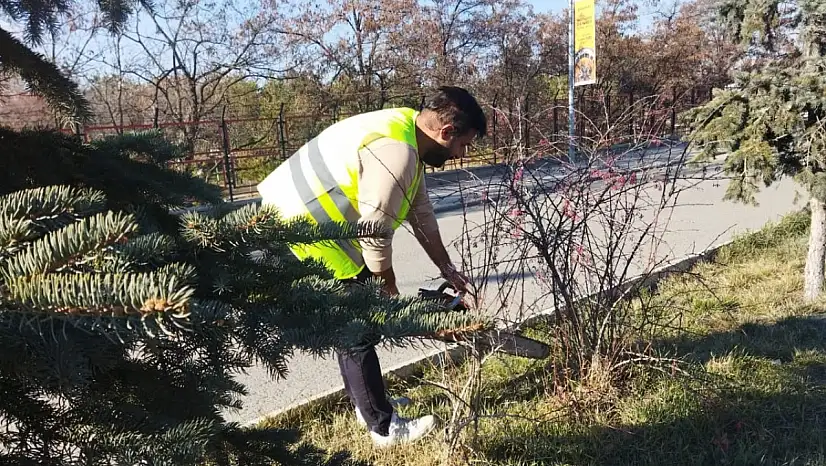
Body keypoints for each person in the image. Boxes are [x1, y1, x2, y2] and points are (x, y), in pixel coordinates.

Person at [256, 85, 487, 447]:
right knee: (357, 327)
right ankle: (382, 427)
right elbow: (375, 234)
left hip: (310, 219)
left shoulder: (407, 130)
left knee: (356, 324)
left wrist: (448, 270)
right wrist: (388, 291)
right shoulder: (397, 152)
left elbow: (421, 214)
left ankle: (367, 405)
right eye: (463, 144)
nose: (461, 154)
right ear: (446, 132)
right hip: (304, 227)